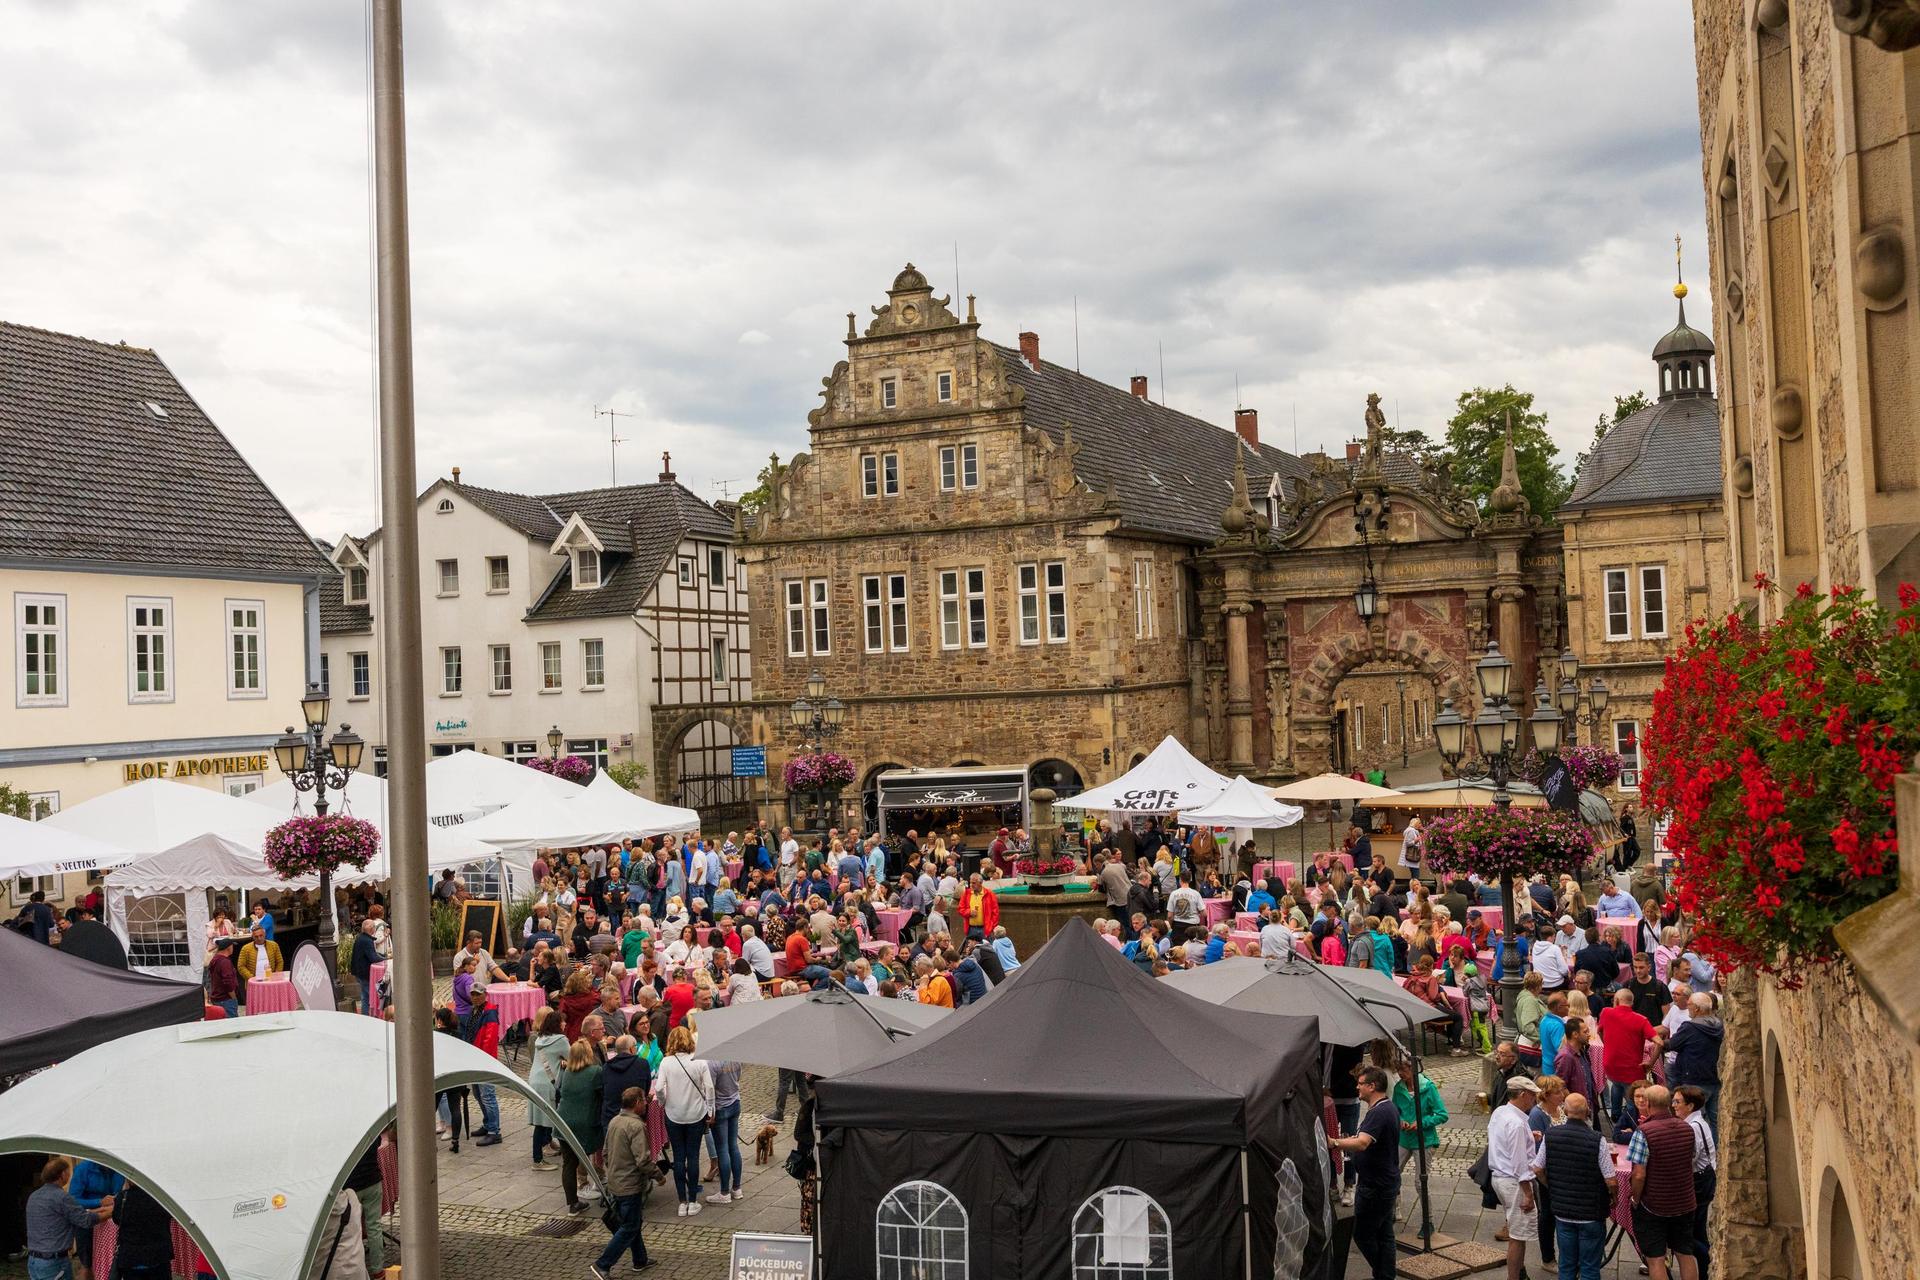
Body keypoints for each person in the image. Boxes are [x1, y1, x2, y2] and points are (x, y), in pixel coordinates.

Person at [1328, 1066, 1399, 1280]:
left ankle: (1383, 1273)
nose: (1357, 1087)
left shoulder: (1379, 1112)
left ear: (1372, 1086)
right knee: (1385, 1233)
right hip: (1385, 1182)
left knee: (1363, 1234)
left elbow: (1362, 1143)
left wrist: (1334, 1143)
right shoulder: (1387, 1108)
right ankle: (1386, 1275)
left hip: (1375, 1187)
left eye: (1360, 1083)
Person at [1533, 1093, 1615, 1280]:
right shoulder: (1597, 1139)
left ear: (1566, 1110)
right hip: (1590, 1213)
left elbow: (1537, 1168)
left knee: (1567, 1264)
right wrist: (1614, 1196)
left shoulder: (1551, 1135)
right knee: (1589, 1267)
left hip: (1563, 1212)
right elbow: (1610, 1179)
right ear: (1586, 1111)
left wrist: (1550, 1186)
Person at [1627, 1086, 1699, 1280]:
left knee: (1655, 1259)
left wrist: (1635, 1198)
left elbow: (1639, 1175)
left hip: (1655, 1204)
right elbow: (1690, 1159)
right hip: (1684, 1202)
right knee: (1685, 1253)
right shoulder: (1687, 1128)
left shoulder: (1644, 1132)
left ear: (1648, 1104)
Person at [590, 1086, 656, 1278]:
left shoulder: (614, 1122)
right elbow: (643, 1160)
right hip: (630, 1185)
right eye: (644, 1100)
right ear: (636, 1103)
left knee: (633, 1222)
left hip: (616, 1182)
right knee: (629, 1227)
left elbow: (605, 1153)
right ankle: (603, 1264)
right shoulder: (636, 1126)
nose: (646, 1102)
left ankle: (640, 1259)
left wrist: (613, 1171)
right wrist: (658, 1175)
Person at [654, 1025, 715, 1216]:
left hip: (674, 1114)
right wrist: (711, 1109)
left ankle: (682, 1202)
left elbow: (659, 1089)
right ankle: (693, 1200)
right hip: (696, 1114)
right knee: (694, 1156)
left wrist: (664, 1103)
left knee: (679, 1158)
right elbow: (709, 1088)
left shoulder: (666, 1062)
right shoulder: (699, 1061)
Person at [1488, 1077, 1542, 1280]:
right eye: (1532, 1096)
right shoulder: (1518, 1123)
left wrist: (1529, 1136)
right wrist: (1528, 1193)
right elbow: (1520, 1163)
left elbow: (1503, 1140)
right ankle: (1514, 1277)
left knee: (1516, 1231)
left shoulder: (1501, 1112)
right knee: (1518, 1237)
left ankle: (1519, 1273)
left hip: (1499, 1178)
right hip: (1514, 1182)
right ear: (1522, 1095)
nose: (1534, 1100)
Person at [25, 1157, 111, 1280]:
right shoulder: (62, 1197)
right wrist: (112, 1212)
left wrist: (98, 1210)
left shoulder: (34, 1196)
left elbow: (71, 1214)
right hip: (54, 1262)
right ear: (63, 1174)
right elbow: (85, 1220)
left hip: (34, 1260)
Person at [555, 1038, 605, 1214]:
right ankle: (605, 1187)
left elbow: (558, 1091)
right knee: (599, 1154)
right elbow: (603, 1094)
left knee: (569, 1163)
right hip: (585, 1122)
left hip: (564, 1121)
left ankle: (573, 1203)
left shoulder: (566, 1071)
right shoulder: (595, 1072)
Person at [1673, 1084, 1718, 1278]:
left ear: (1690, 1106)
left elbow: (1688, 1158)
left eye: (1677, 1102)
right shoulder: (1699, 1122)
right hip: (1705, 1178)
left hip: (1698, 1182)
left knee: (1692, 1233)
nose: (1673, 1105)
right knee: (1697, 1230)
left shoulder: (1692, 1127)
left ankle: (1707, 1266)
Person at [1666, 993, 1724, 1131]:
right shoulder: (1719, 1025)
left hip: (1694, 1080)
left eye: (1690, 1005)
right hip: (1714, 1078)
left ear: (1697, 1009)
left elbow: (1673, 1044)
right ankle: (1715, 1150)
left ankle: (1697, 1151)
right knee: (1715, 1121)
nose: (1687, 1007)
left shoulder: (1690, 1027)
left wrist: (1659, 1041)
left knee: (1694, 1120)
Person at [1597, 988, 1656, 1117]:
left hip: (1611, 1064)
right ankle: (1631, 1121)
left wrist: (1607, 1044)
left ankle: (1615, 1116)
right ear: (1632, 1003)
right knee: (1632, 1096)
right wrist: (1651, 1063)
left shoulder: (1606, 1013)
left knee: (1616, 1085)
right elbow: (1660, 1042)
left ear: (1616, 1001)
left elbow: (1600, 1031)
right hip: (1632, 1067)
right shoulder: (1641, 1020)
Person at [459, 985, 504, 1145]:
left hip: (484, 1060)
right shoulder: (476, 1010)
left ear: (485, 995)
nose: (475, 997)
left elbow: (490, 1039)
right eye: (473, 994)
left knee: (487, 1095)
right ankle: (488, 1124)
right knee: (478, 1094)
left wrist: (482, 1059)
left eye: (478, 994)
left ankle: (494, 1131)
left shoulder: (489, 1012)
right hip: (475, 1058)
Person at [526, 1009, 567, 1172]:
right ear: (557, 1024)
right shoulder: (561, 1040)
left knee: (540, 1121)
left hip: (535, 1080)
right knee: (543, 1123)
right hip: (548, 1083)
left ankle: (544, 1149)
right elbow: (571, 1057)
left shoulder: (540, 1038)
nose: (565, 1024)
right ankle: (537, 1160)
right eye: (563, 1021)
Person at [343, 1131, 388, 1276]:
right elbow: (379, 1143)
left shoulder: (345, 1136)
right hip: (372, 1181)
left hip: (351, 1187)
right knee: (374, 1227)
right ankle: (378, 1269)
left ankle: (358, 1271)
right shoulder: (370, 1130)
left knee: (351, 1231)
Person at [1391, 1056, 1447, 1169]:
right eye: (1398, 1069)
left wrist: (1421, 1123)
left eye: (1403, 1069)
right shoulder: (1398, 1088)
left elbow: (1442, 1115)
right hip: (1404, 1139)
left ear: (1413, 1069)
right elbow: (1395, 1112)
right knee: (1393, 1172)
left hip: (1424, 1140)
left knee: (1421, 1180)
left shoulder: (1428, 1088)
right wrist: (1401, 1121)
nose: (1400, 1073)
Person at [706, 1058, 745, 1205]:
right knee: (733, 1146)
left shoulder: (712, 1063)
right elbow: (738, 1077)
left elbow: (710, 1088)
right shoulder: (736, 1057)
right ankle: (737, 1188)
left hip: (720, 1107)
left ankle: (724, 1192)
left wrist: (710, 1111)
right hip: (735, 1102)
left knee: (722, 1149)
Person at [349, 919, 383, 1017]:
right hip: (364, 972)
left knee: (365, 996)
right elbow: (373, 958)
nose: (375, 929)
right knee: (373, 996)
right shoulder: (367, 940)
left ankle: (365, 1016)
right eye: (374, 927)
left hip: (358, 972)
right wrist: (386, 957)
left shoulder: (361, 938)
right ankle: (375, 1016)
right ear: (371, 929)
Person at [206, 937, 241, 1017]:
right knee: (232, 1025)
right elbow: (228, 982)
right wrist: (233, 997)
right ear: (229, 947)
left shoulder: (215, 959)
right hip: (226, 999)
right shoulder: (225, 962)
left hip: (217, 997)